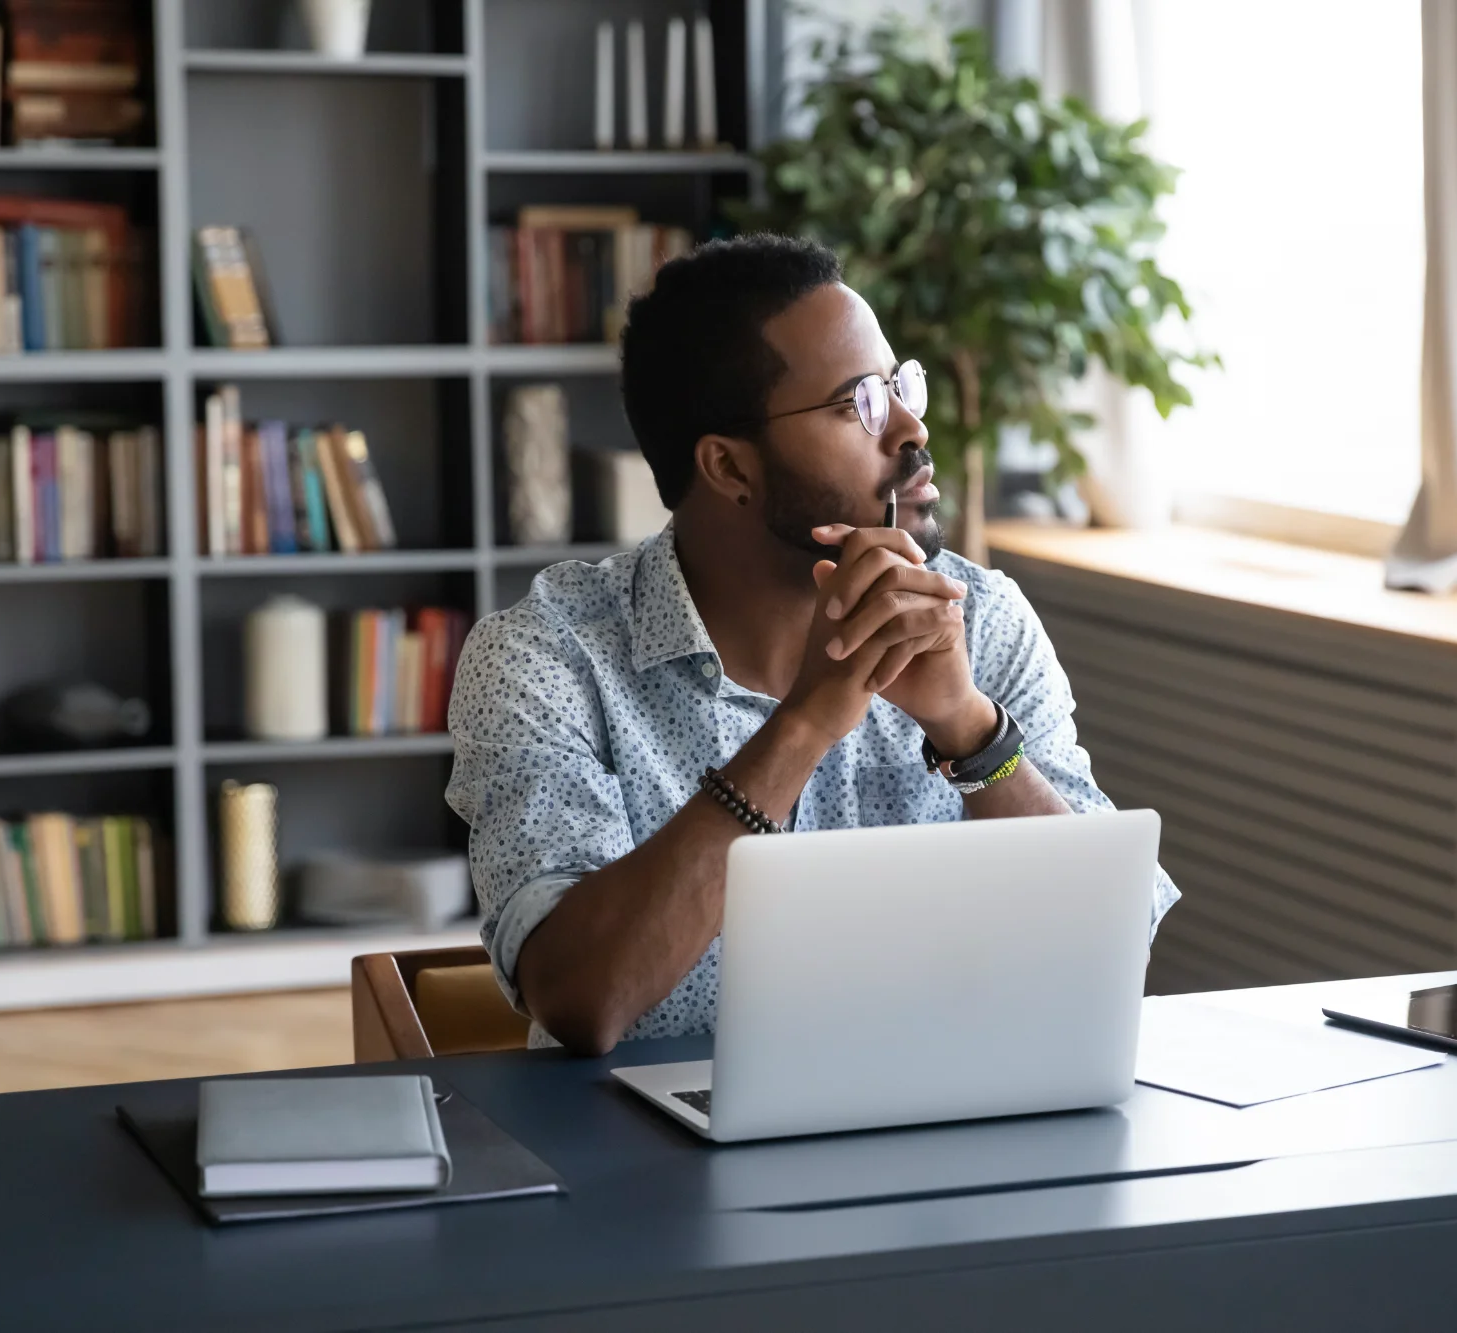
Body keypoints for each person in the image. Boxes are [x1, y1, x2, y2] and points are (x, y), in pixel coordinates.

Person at [446, 234, 1178, 1054]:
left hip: (953, 1135)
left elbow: (1118, 947)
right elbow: (583, 999)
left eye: (903, 386)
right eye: (856, 403)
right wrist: (803, 725)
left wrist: (970, 729)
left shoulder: (984, 620)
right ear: (729, 467)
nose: (910, 427)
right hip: (652, 1158)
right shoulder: (548, 658)